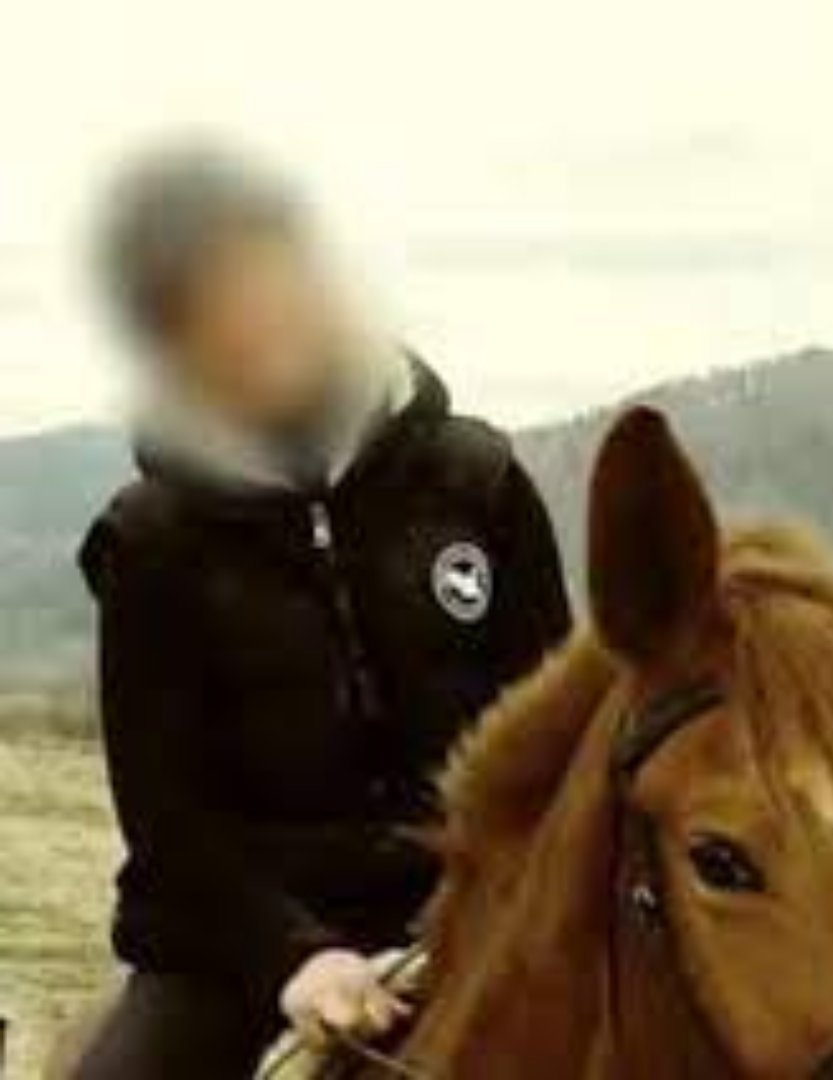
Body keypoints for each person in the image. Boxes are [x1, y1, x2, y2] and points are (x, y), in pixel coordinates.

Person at [70, 147, 571, 1079]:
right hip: (233, 955)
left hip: (477, 915)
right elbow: (169, 821)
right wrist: (295, 957)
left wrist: (482, 905)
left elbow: (560, 737)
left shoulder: (481, 484)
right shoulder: (150, 541)